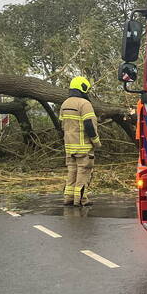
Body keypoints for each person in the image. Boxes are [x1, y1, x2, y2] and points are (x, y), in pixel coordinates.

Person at [61, 76, 101, 206]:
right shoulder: (84, 104)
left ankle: (69, 198)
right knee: (83, 173)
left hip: (69, 146)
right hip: (84, 147)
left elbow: (62, 125)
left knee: (72, 172)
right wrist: (96, 142)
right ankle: (81, 200)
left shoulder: (65, 104)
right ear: (83, 88)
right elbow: (89, 125)